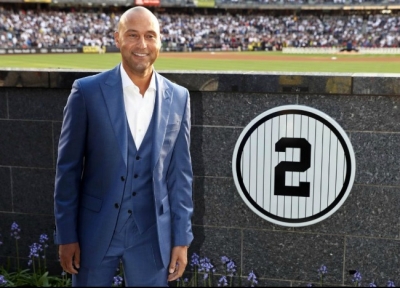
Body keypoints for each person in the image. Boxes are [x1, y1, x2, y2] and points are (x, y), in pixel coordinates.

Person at [53, 6, 193, 287]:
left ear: (160, 41)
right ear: (117, 39)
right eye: (133, 35)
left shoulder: (179, 97)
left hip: (152, 234)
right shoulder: (87, 92)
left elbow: (180, 176)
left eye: (150, 36)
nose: (142, 45)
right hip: (95, 231)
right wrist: (66, 235)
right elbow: (67, 170)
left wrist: (181, 239)